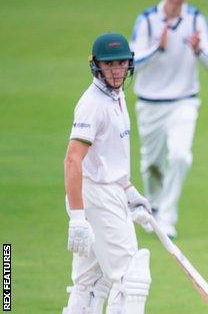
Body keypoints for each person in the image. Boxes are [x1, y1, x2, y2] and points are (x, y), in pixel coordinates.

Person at [63, 33, 153, 313]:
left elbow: (109, 157)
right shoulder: (93, 104)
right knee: (131, 278)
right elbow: (72, 160)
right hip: (97, 195)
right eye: (109, 64)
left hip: (109, 191)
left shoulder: (117, 95)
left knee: (90, 284)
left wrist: (129, 192)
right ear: (96, 66)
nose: (116, 70)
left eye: (121, 63)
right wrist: (78, 218)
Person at [130, 0, 208, 237]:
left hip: (183, 101)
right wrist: (158, 47)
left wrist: (197, 49)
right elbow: (132, 63)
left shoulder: (195, 20)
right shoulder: (146, 21)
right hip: (150, 103)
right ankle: (153, 208)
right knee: (151, 164)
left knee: (180, 156)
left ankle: (167, 217)